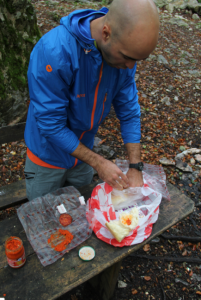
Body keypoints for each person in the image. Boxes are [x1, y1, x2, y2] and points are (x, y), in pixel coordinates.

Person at [24, 0, 159, 201]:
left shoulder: (123, 54)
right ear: (106, 33)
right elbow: (51, 125)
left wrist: (135, 166)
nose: (131, 66)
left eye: (137, 60)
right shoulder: (54, 51)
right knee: (47, 220)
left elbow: (129, 112)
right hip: (47, 159)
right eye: (127, 57)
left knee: (85, 215)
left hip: (84, 156)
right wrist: (99, 163)